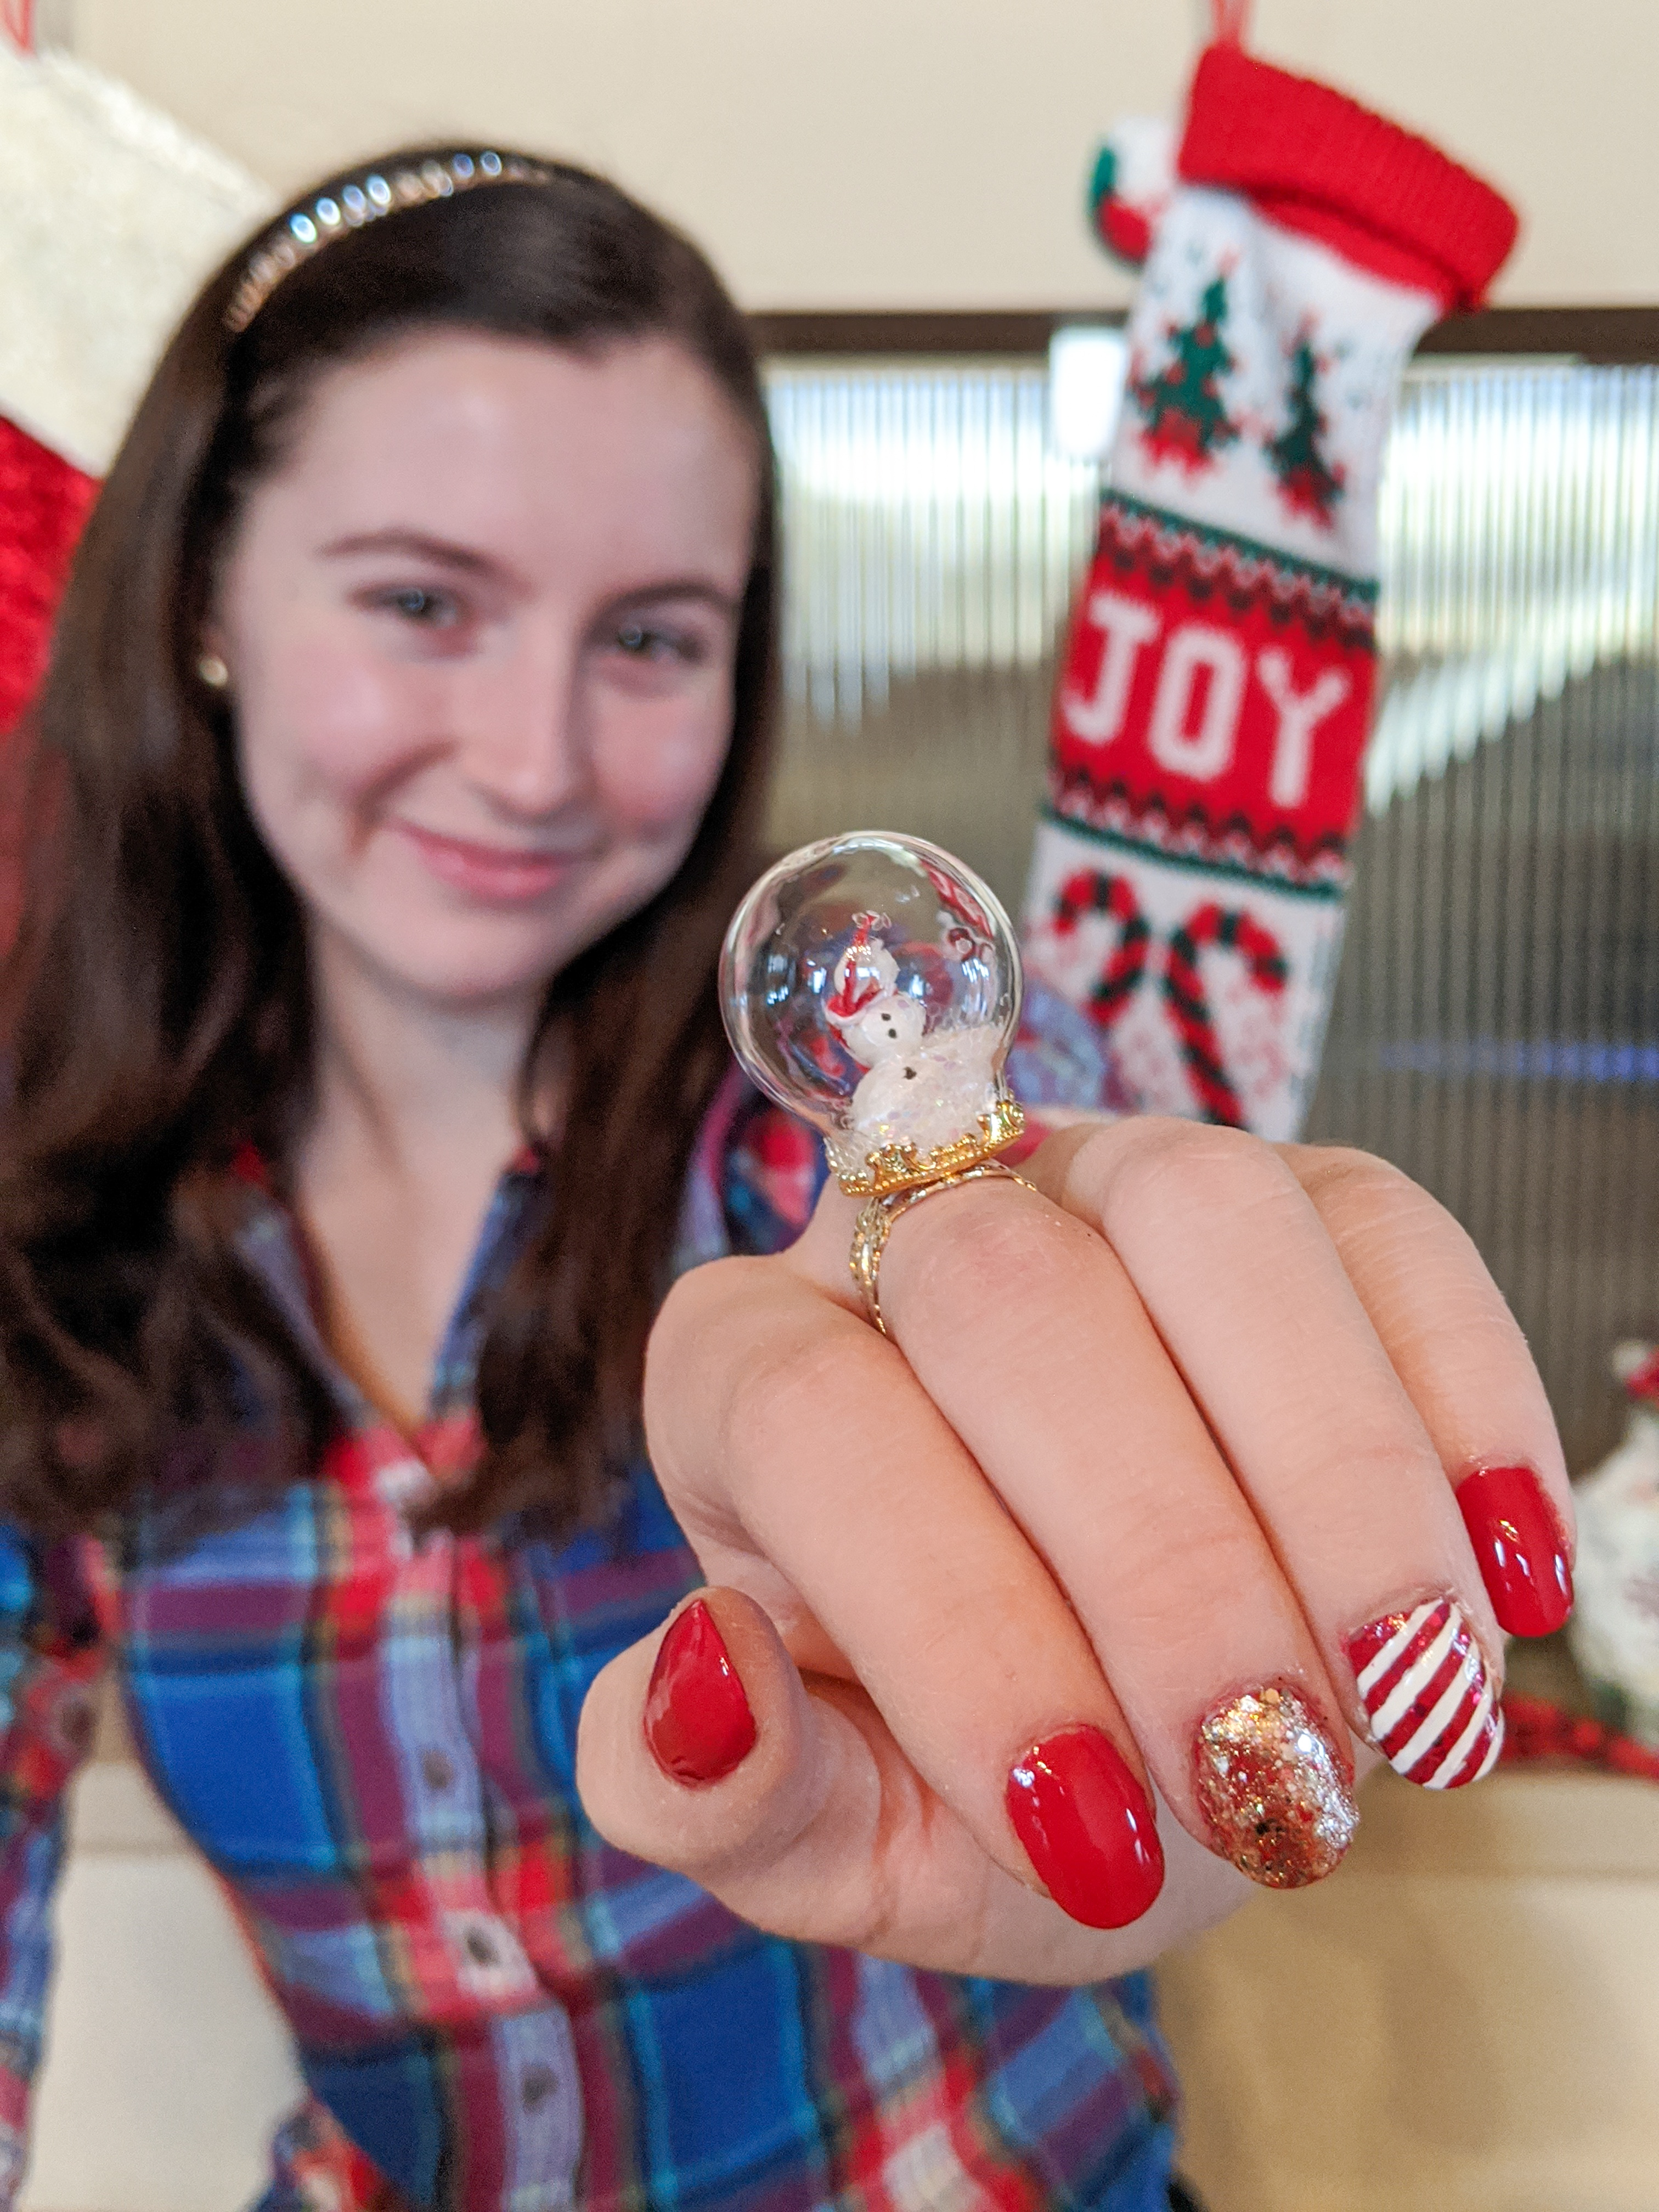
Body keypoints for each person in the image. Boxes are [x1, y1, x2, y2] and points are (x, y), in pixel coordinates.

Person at [0, 147, 1574, 2212]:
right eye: (419, 602)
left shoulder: (859, 1124)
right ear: (205, 594)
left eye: (651, 638)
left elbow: (995, 1209)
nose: (537, 756)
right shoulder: (61, 1224)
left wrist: (1091, 1316)